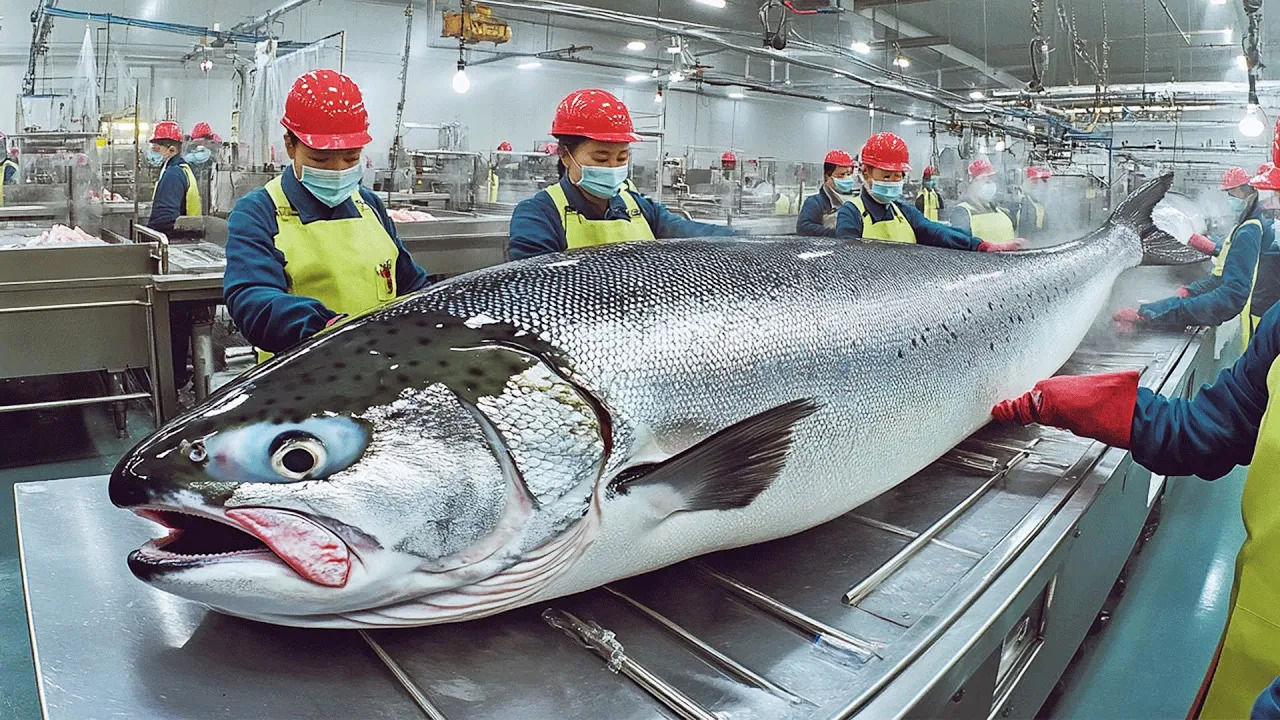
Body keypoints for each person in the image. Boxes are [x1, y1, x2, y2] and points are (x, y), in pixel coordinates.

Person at [223, 69, 430, 357]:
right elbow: (251, 298)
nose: (337, 170)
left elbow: (411, 283)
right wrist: (325, 328)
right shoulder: (259, 210)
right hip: (300, 377)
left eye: (351, 158)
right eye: (320, 158)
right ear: (290, 145)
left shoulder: (368, 204)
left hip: (379, 367)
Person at [508, 89, 737, 260]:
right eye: (601, 158)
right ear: (565, 155)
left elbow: (696, 234)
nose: (612, 167)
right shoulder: (539, 214)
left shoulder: (639, 208)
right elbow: (531, 281)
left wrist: (747, 240)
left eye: (621, 158)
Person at [1114, 167, 1266, 348]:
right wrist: (1190, 291)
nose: (1230, 199)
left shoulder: (1249, 230)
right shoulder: (1248, 224)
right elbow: (1221, 278)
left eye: (1231, 193)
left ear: (1245, 189)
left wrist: (1151, 315)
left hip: (1257, 325)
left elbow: (1230, 296)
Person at [834, 133, 1018, 251]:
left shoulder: (903, 212)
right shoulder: (851, 213)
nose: (894, 182)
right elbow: (849, 261)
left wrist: (979, 245)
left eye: (899, 176)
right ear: (866, 172)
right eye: (887, 176)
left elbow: (937, 232)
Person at [147, 121, 201, 234]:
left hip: (176, 239)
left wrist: (148, 236)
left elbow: (164, 220)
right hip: (188, 235)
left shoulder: (173, 174)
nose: (153, 153)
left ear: (171, 150)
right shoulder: (180, 168)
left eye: (156, 149)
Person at [951, 159, 1021, 246]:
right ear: (971, 183)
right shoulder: (962, 212)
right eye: (984, 179)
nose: (989, 183)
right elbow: (960, 246)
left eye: (991, 178)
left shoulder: (1001, 211)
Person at [796, 149, 856, 237]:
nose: (846, 178)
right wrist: (837, 233)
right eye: (841, 175)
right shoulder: (815, 202)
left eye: (849, 174)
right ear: (827, 176)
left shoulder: (856, 200)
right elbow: (803, 227)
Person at [1014, 166, 1051, 239]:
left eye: (1045, 181)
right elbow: (1026, 233)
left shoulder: (1039, 204)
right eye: (1035, 181)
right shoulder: (1022, 204)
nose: (1043, 186)